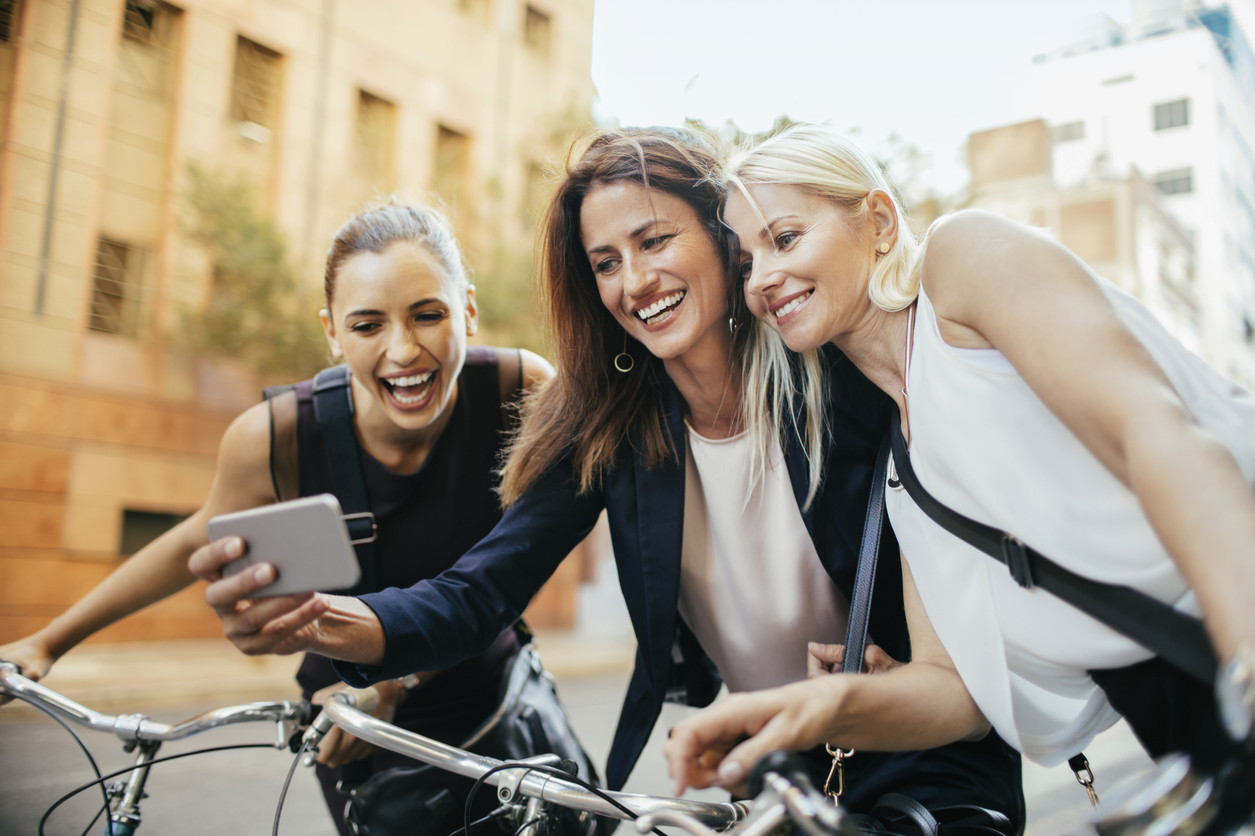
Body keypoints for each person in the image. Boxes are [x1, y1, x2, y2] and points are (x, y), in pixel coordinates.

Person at [189, 128, 1027, 828]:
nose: (635, 281)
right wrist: (336, 623)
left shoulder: (840, 378)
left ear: (721, 237)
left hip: (925, 770)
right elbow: (479, 589)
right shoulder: (612, 432)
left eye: (655, 241)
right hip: (766, 774)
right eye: (605, 262)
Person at [663, 123, 1255, 796]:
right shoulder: (901, 474)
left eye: (786, 238)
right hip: (1186, 721)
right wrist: (812, 709)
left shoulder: (960, 264)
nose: (762, 278)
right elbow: (957, 696)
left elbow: (1156, 435)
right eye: (745, 264)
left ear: (879, 222)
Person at [0, 199, 553, 835]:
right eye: (367, 325)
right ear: (331, 332)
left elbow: (526, 560)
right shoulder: (280, 435)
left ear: (470, 311)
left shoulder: (521, 389)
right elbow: (193, 539)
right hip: (349, 721)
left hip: (497, 703)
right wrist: (48, 643)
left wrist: (397, 681)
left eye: (428, 315)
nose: (403, 350)